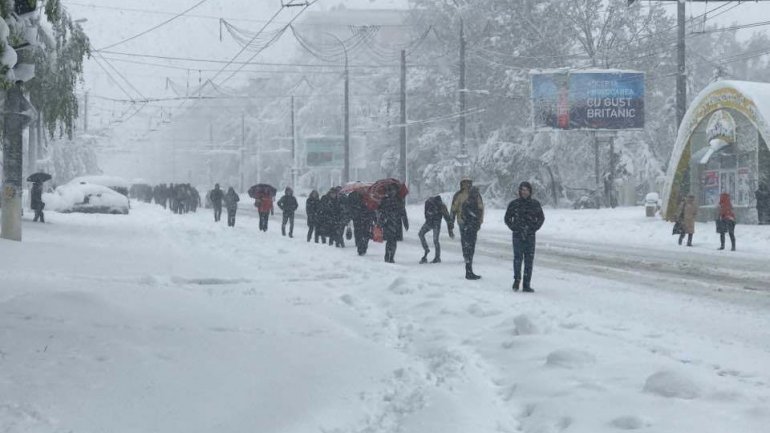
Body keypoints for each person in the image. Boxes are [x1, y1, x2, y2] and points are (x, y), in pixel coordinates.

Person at [504, 181, 545, 292]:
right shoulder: (514, 204)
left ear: (530, 191)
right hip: (517, 235)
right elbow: (507, 218)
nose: (524, 192)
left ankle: (526, 284)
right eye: (522, 190)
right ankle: (517, 280)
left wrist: (534, 228)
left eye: (526, 190)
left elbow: (541, 218)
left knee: (529, 260)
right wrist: (514, 227)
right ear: (519, 191)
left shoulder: (535, 204)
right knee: (517, 258)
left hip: (530, 236)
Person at [418, 195, 454, 264]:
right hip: (432, 222)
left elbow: (448, 219)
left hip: (434, 223)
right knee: (432, 239)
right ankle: (431, 253)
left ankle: (436, 256)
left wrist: (450, 230)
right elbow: (448, 219)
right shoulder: (429, 203)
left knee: (432, 239)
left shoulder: (440, 205)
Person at [378, 184, 409, 263]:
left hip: (394, 223)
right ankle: (388, 256)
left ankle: (390, 256)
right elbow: (381, 212)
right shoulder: (387, 200)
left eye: (393, 190)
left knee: (392, 241)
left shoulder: (397, 200)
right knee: (390, 240)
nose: (392, 192)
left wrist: (405, 223)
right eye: (390, 190)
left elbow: (403, 212)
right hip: (389, 223)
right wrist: (380, 223)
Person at [461, 187, 484, 280]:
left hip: (469, 228)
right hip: (470, 229)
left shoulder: (467, 202)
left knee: (469, 251)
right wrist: (474, 224)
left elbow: (463, 216)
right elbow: (475, 216)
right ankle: (469, 272)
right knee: (470, 251)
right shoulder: (471, 203)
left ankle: (469, 271)